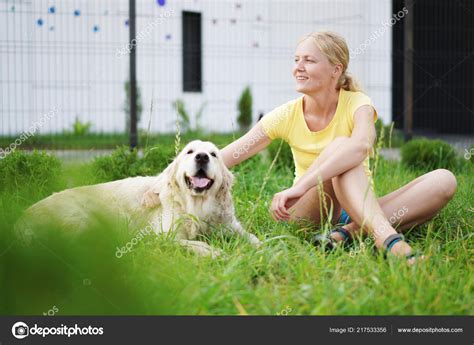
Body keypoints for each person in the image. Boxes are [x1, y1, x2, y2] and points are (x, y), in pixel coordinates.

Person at [220, 31, 457, 264]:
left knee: (444, 180)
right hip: (308, 209)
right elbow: (222, 158)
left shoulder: (357, 103)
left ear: (336, 69)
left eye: (309, 60)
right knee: (344, 148)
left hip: (359, 208)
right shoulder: (285, 115)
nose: (298, 67)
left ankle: (345, 233)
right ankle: (391, 243)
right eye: (296, 60)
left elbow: (363, 145)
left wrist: (302, 187)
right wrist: (185, 170)